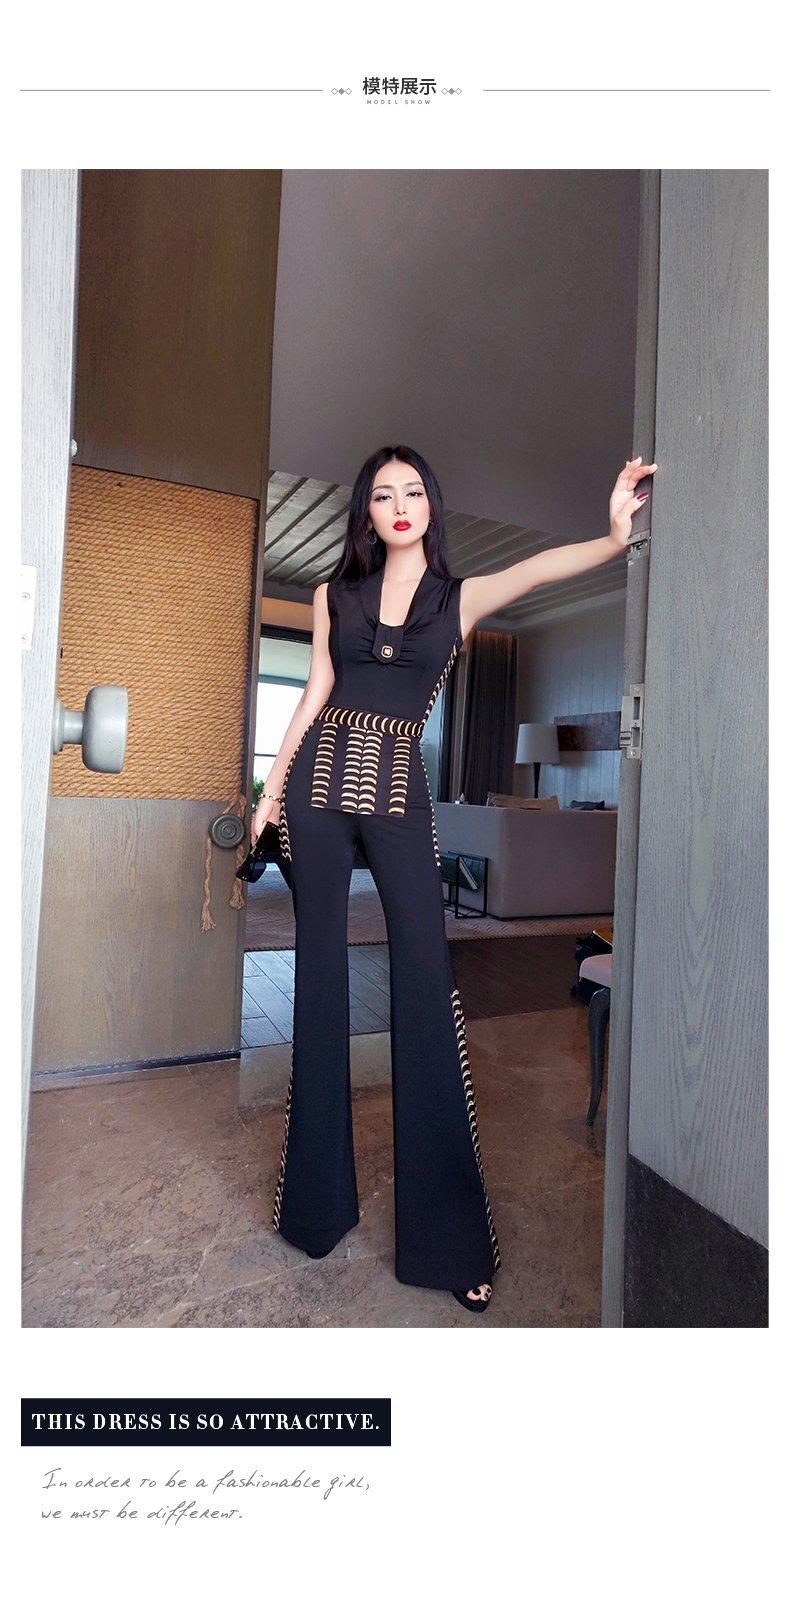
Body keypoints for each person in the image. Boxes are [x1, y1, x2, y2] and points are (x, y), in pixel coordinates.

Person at [251, 444, 656, 1315]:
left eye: (413, 491)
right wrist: (270, 793)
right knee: (317, 984)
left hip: (399, 794)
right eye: (382, 494)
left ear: (431, 505)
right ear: (366, 512)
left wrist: (611, 537)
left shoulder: (457, 598)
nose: (399, 504)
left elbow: (536, 568)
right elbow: (315, 692)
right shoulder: (332, 595)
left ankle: (449, 1242)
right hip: (317, 793)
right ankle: (315, 1209)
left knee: (426, 988)